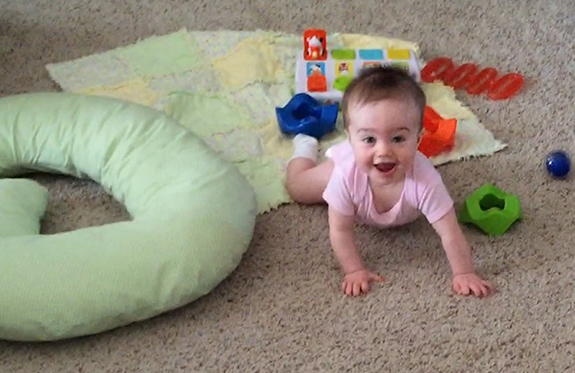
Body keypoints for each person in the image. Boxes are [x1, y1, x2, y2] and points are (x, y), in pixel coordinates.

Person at [285, 65, 494, 298]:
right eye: (369, 139)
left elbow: (450, 233)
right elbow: (340, 229)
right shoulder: (344, 175)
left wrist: (464, 272)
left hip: (369, 166)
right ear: (350, 137)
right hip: (349, 165)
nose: (383, 151)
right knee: (297, 188)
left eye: (397, 138)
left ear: (418, 137)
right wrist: (354, 270)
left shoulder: (426, 182)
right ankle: (305, 145)